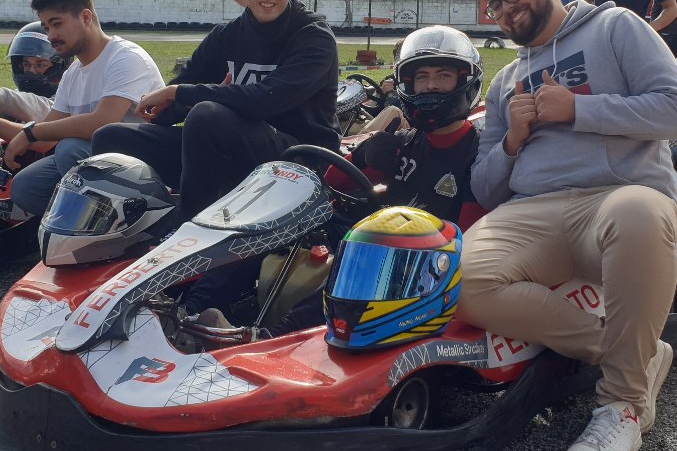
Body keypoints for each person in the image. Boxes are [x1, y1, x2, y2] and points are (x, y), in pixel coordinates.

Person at [463, 0, 677, 451]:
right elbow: (485, 190)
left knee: (639, 213)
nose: (505, 8)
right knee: (459, 279)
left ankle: (623, 406)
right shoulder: (505, 82)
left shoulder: (615, 26)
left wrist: (579, 109)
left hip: (616, 198)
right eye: (494, 5)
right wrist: (513, 141)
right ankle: (637, 354)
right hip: (532, 211)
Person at [187, 25, 488, 338]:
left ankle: (269, 338)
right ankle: (193, 309)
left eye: (443, 76)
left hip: (427, 265)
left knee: (361, 264)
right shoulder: (403, 144)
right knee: (274, 230)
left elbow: (468, 239)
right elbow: (332, 184)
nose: (430, 87)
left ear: (464, 82)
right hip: (377, 241)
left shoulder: (477, 154)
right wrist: (363, 156)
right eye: (422, 77)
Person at [92, 0, 339, 222]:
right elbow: (177, 99)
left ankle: (189, 231)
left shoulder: (314, 37)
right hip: (228, 151)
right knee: (110, 137)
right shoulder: (227, 35)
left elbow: (266, 100)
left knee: (207, 116)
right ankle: (141, 224)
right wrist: (164, 107)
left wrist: (185, 94)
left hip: (297, 160)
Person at [0, 0, 164, 218]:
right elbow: (45, 136)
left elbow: (103, 123)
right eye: (46, 27)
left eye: (57, 24)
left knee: (70, 148)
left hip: (147, 167)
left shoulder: (125, 57)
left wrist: (30, 133)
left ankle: (135, 221)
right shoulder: (73, 74)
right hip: (100, 163)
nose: (50, 36)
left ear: (86, 18)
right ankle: (77, 228)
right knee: (26, 187)